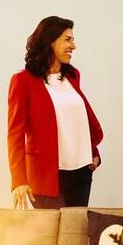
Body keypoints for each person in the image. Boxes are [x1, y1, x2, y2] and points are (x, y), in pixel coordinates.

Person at [7, 16, 103, 209]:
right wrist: (19, 180)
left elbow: (76, 121)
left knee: (75, 234)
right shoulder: (23, 81)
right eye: (68, 39)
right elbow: (14, 134)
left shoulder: (72, 76)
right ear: (49, 41)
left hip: (82, 172)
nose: (73, 45)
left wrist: (93, 152)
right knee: (53, 233)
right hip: (45, 175)